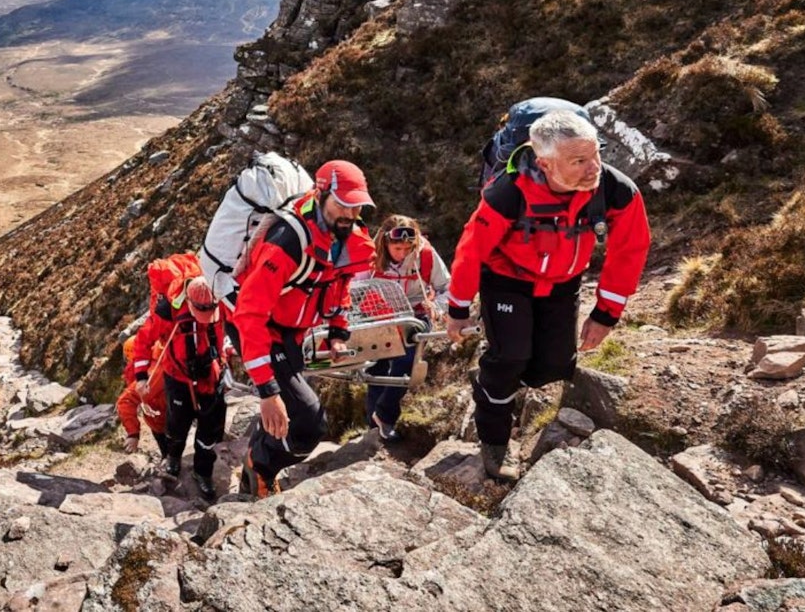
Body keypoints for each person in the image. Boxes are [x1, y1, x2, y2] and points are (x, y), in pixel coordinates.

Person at [446, 110, 650, 480]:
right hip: (507, 280)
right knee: (509, 359)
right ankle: (495, 445)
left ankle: (500, 378)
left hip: (562, 282)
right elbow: (471, 250)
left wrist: (606, 313)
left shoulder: (614, 189)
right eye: (579, 161)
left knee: (553, 366)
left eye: (596, 155)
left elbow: (630, 249)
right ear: (545, 163)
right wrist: (458, 308)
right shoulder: (507, 192)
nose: (594, 169)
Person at [235, 160, 377, 499]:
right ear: (321, 193)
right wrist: (267, 392)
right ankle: (262, 466)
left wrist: (337, 332)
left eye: (356, 206)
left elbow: (338, 284)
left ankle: (251, 477)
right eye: (342, 203)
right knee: (310, 424)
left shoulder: (345, 238)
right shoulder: (287, 243)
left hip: (291, 334)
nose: (350, 213)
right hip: (265, 329)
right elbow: (249, 313)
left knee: (293, 408)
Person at [135, 276, 233, 502]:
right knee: (177, 423)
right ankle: (173, 457)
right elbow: (143, 341)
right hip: (178, 377)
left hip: (211, 375)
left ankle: (203, 472)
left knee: (210, 430)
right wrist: (141, 377)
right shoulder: (167, 313)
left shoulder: (222, 302)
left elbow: (236, 327)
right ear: (188, 301)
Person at [356, 214, 450, 441]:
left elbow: (447, 286)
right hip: (379, 316)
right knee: (376, 369)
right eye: (397, 248)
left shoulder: (425, 255)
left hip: (414, 314)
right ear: (385, 243)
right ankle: (374, 428)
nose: (403, 253)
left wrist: (436, 306)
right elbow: (353, 288)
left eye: (408, 248)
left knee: (407, 361)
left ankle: (385, 415)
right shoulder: (370, 256)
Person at [115, 333, 169, 458]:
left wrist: (133, 433)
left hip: (159, 420)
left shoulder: (144, 372)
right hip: (163, 417)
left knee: (168, 451)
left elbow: (127, 401)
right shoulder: (156, 364)